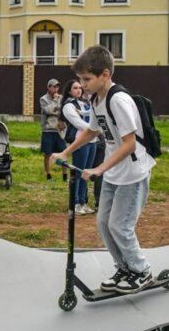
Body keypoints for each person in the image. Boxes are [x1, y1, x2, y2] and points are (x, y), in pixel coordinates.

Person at [52, 45, 157, 293]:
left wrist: (98, 168)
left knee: (120, 226)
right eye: (80, 79)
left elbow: (130, 143)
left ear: (105, 75)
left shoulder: (118, 100)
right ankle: (125, 267)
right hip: (113, 173)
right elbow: (92, 131)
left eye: (87, 79)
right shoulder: (96, 99)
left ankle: (142, 271)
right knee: (103, 223)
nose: (83, 84)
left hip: (132, 173)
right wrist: (66, 151)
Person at [58, 79, 97, 215]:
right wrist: (95, 129)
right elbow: (78, 123)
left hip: (92, 141)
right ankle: (74, 203)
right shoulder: (69, 106)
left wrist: (95, 132)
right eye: (75, 88)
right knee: (79, 173)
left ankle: (83, 202)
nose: (79, 90)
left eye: (80, 88)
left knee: (86, 173)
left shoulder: (86, 102)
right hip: (80, 142)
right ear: (69, 91)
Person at [40, 78, 68, 181]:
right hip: (48, 130)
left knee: (64, 152)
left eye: (57, 86)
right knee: (48, 153)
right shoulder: (43, 99)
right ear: (49, 87)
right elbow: (47, 110)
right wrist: (55, 103)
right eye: (54, 86)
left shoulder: (62, 98)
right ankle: (48, 175)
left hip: (59, 130)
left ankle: (65, 175)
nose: (56, 89)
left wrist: (55, 109)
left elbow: (63, 110)